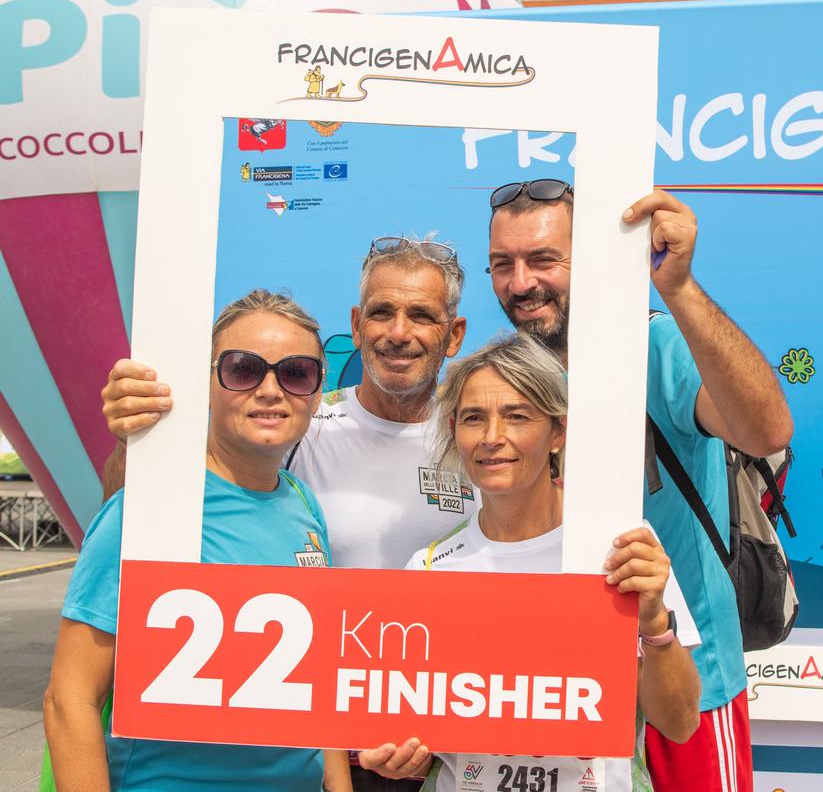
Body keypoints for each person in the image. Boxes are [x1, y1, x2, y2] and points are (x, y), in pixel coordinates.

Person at [97, 237, 475, 790]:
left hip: (453, 746)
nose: (399, 332)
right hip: (316, 751)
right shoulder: (296, 418)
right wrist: (136, 437)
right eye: (381, 312)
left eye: (421, 315)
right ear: (357, 324)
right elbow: (136, 510)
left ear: (454, 334)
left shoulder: (484, 437)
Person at [486, 181, 794, 791]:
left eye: (544, 259)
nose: (521, 283)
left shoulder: (654, 345)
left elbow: (767, 431)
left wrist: (679, 288)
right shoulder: (503, 376)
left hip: (687, 682)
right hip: (567, 689)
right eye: (502, 264)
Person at [359, 333, 701, 789]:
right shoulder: (430, 568)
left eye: (517, 416)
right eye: (474, 418)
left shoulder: (620, 549)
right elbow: (409, 733)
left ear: (558, 432)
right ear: (454, 430)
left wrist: (655, 621)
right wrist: (396, 753)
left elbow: (680, 724)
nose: (492, 438)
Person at [43, 290, 351, 791]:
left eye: (296, 373)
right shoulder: (148, 509)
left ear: (317, 393)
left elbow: (317, 686)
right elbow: (69, 700)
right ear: (206, 383)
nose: (270, 390)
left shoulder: (303, 505)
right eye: (243, 369)